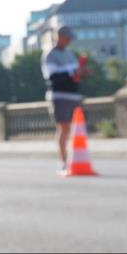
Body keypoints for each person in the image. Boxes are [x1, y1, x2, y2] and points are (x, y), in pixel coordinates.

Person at [41, 26, 88, 172]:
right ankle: (63, 161)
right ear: (59, 37)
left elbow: (74, 75)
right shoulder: (50, 55)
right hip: (60, 95)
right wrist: (73, 72)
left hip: (74, 95)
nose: (69, 41)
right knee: (64, 128)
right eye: (67, 38)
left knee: (75, 129)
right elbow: (52, 76)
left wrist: (82, 73)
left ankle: (75, 159)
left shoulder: (70, 54)